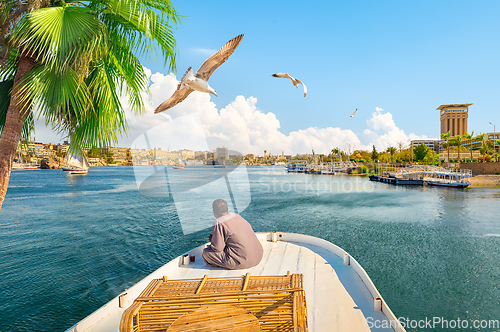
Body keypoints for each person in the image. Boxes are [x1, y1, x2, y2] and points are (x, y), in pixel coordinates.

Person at [202, 199, 263, 269]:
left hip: (243, 262)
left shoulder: (219, 222)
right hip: (258, 256)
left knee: (206, 253)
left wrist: (213, 240)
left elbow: (217, 249)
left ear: (214, 212)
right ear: (227, 209)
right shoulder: (236, 216)